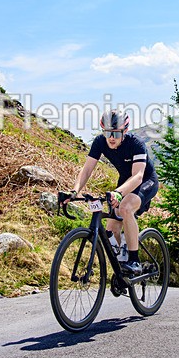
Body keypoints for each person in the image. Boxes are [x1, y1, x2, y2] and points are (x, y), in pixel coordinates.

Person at [65, 109, 159, 277]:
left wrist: (118, 193)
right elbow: (86, 170)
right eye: (108, 132)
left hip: (145, 181)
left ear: (125, 131)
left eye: (116, 133)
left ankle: (134, 260)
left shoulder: (136, 144)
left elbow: (137, 177)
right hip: (124, 182)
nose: (111, 138)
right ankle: (122, 263)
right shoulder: (100, 142)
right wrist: (74, 191)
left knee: (125, 208)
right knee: (111, 226)